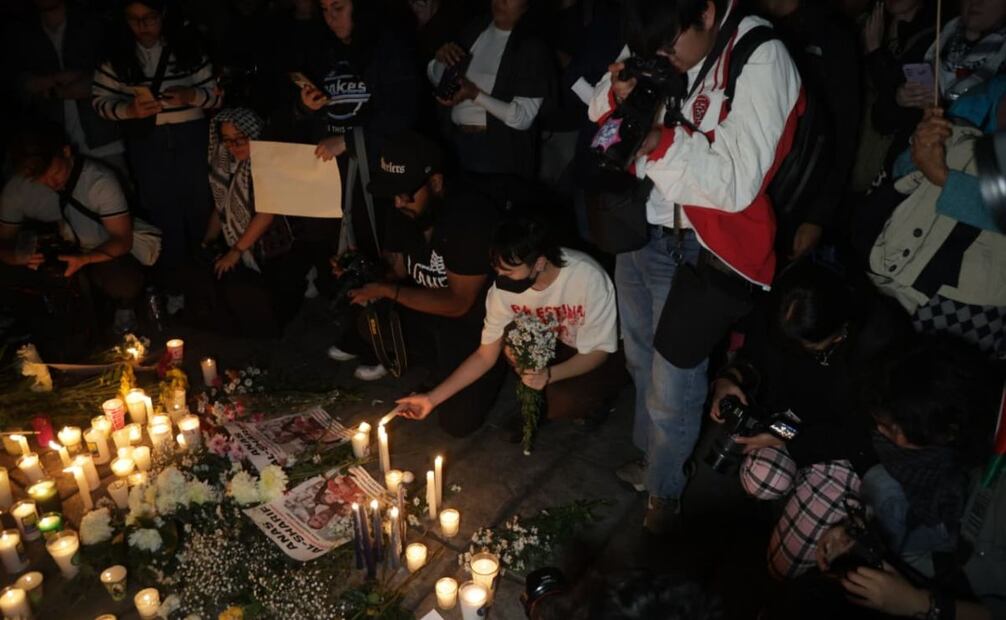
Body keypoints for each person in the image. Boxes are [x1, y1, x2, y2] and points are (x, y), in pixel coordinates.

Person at [588, 0, 802, 533]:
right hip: (640, 225)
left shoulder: (760, 55)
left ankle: (665, 493)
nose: (659, 57)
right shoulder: (660, 29)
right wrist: (620, 93)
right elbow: (598, 109)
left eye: (667, 48)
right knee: (639, 358)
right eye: (650, 50)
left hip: (700, 244)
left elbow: (735, 181)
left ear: (706, 12)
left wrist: (657, 140)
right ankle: (653, 461)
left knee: (673, 385)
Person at [706, 264, 913, 579]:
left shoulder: (882, 341)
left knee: (780, 568)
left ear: (840, 330)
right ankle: (797, 490)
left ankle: (816, 496)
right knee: (763, 478)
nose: (795, 351)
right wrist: (730, 378)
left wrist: (789, 437)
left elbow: (862, 435)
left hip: (846, 451)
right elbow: (754, 358)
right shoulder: (785, 306)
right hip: (788, 423)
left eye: (809, 348)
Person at [330, 130, 503, 436]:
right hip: (429, 313)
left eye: (405, 194)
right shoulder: (403, 210)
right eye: (392, 194)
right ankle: (437, 367)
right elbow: (394, 271)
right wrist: (360, 268)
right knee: (368, 320)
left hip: (475, 326)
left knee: (457, 422)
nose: (398, 202)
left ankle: (465, 372)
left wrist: (388, 290)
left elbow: (458, 303)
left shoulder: (469, 219)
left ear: (435, 183)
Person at [396, 211, 626, 439]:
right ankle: (538, 398)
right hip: (551, 343)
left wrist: (548, 375)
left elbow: (599, 351)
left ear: (539, 262)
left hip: (598, 350)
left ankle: (591, 400)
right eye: (497, 270)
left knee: (564, 400)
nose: (501, 277)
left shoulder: (587, 277)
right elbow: (485, 356)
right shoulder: (502, 290)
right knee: (512, 339)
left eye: (509, 271)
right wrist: (431, 398)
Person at [92, 0, 220, 314]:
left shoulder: (188, 50)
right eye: (134, 19)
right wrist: (129, 109)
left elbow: (214, 94)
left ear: (162, 15)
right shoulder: (117, 58)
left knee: (200, 206)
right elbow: (100, 100)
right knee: (163, 212)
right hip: (147, 141)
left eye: (148, 18)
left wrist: (190, 95)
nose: (142, 26)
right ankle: (175, 286)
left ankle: (210, 281)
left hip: (190, 136)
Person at [852, 110, 1006, 357]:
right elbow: (902, 175)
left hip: (968, 296)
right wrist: (920, 148)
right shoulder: (974, 106)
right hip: (897, 269)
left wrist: (943, 177)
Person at [296, 0, 419, 259]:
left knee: (376, 251)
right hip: (332, 173)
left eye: (338, 8)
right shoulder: (324, 49)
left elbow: (401, 112)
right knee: (336, 254)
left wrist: (348, 140)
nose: (331, 17)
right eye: (324, 10)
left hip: (377, 173)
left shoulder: (388, 47)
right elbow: (309, 117)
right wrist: (307, 107)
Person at [0, 123, 143, 333]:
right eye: (41, 180)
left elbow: (122, 240)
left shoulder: (98, 181)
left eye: (56, 173)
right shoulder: (16, 189)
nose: (52, 184)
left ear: (66, 152)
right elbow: (3, 241)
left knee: (124, 282)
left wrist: (85, 259)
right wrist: (17, 257)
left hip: (97, 251)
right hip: (50, 256)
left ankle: (121, 311)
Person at [184, 107, 308, 337]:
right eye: (227, 139)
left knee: (274, 306)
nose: (234, 145)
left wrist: (236, 251)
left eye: (241, 138)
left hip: (275, 247)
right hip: (244, 244)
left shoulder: (268, 165)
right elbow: (221, 207)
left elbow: (267, 213)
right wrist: (208, 241)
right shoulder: (228, 165)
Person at [755, 0, 861, 260]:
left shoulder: (831, 33)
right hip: (755, 185)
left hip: (799, 195)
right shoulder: (753, 25)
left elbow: (845, 131)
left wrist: (818, 216)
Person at [427, 0, 554, 183]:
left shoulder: (531, 47)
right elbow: (440, 78)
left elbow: (523, 117)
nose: (501, 1)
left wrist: (475, 94)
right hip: (455, 142)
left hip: (496, 151)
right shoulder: (475, 29)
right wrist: (441, 60)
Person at [4, 0, 126, 174]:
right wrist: (60, 82)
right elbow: (21, 84)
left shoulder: (92, 25)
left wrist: (57, 88)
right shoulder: (22, 33)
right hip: (54, 148)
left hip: (103, 140)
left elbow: (110, 78)